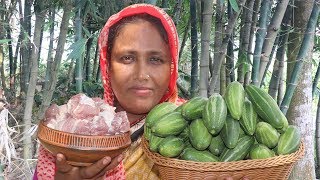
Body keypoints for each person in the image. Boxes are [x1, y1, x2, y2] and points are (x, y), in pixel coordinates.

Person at [34, 3, 184, 179]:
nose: (142, 75)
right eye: (127, 58)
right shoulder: (71, 133)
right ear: (108, 67)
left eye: (156, 59)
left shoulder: (195, 128)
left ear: (171, 67)